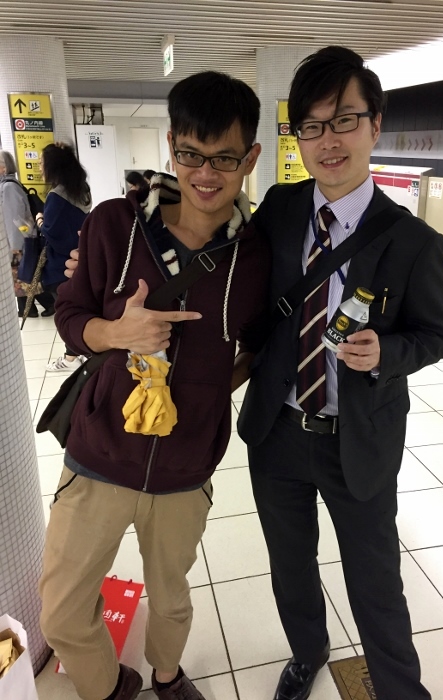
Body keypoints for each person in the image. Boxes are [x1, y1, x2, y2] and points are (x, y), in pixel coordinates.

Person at [39, 71, 267, 700]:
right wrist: (116, 333)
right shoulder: (114, 224)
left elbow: (257, 344)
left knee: (171, 597)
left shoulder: (255, 256)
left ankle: (167, 675)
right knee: (61, 610)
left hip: (185, 469)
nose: (206, 174)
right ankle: (110, 686)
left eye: (225, 158)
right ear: (171, 145)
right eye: (191, 154)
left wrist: (209, 395)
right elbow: (69, 315)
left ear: (251, 157)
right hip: (98, 454)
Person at [238, 46, 443, 700]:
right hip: (278, 430)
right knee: (290, 563)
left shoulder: (412, 242)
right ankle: (308, 653)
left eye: (344, 120)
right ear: (298, 137)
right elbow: (227, 266)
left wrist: (387, 353)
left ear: (374, 125)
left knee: (374, 579)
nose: (327, 141)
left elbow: (437, 336)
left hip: (357, 437)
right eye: (311, 125)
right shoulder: (280, 209)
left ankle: (399, 689)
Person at [37, 142, 92, 371]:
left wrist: (40, 220)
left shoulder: (56, 195)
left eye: (42, 163)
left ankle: (70, 359)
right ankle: (78, 353)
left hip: (60, 263)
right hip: (80, 256)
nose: (39, 167)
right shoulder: (82, 189)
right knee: (79, 307)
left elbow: (52, 232)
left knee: (65, 312)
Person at [0, 150, 54, 318]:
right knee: (23, 276)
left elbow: (13, 217)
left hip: (19, 240)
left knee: (23, 275)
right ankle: (29, 309)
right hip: (19, 239)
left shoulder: (8, 187)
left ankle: (43, 305)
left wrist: (15, 246)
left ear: (3, 167)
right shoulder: (8, 185)